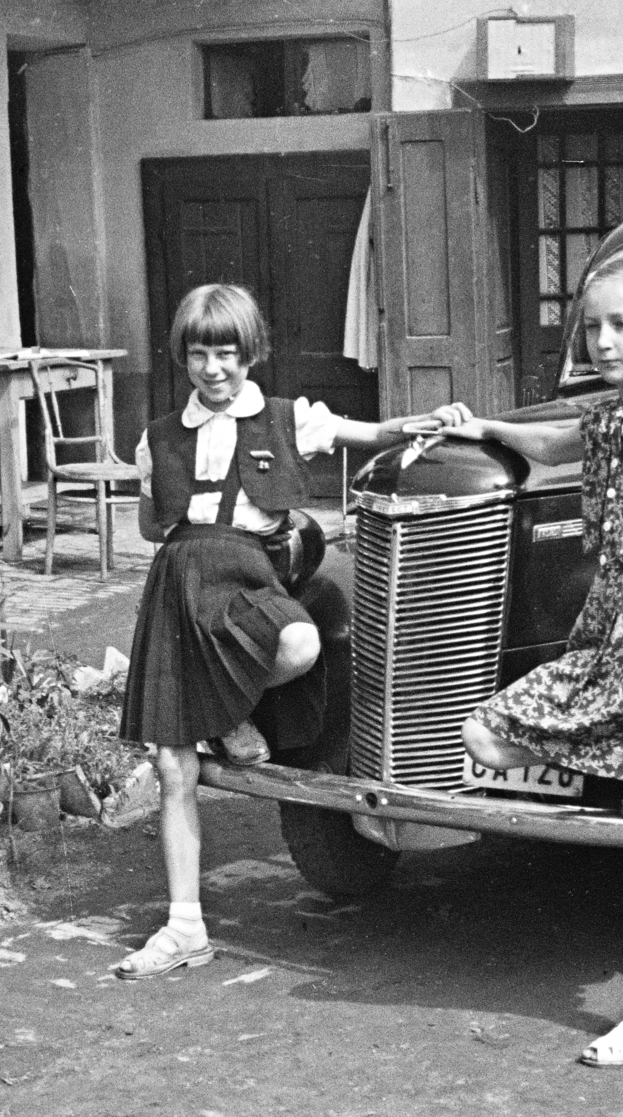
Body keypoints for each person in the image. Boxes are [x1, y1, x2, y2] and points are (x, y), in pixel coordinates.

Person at [430, 256, 623, 1067]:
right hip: (608, 637)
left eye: (621, 326)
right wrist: (487, 428)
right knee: (485, 736)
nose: (603, 341)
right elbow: (552, 437)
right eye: (593, 326)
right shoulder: (609, 421)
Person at [115, 282, 436, 980]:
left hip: (251, 578)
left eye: (227, 353)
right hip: (178, 590)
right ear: (183, 356)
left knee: (298, 643)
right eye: (199, 354)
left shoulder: (288, 418)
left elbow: (373, 433)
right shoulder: (158, 438)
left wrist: (431, 421)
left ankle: (232, 713)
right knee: (175, 767)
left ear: (250, 353)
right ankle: (185, 926)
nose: (213, 368)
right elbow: (150, 527)